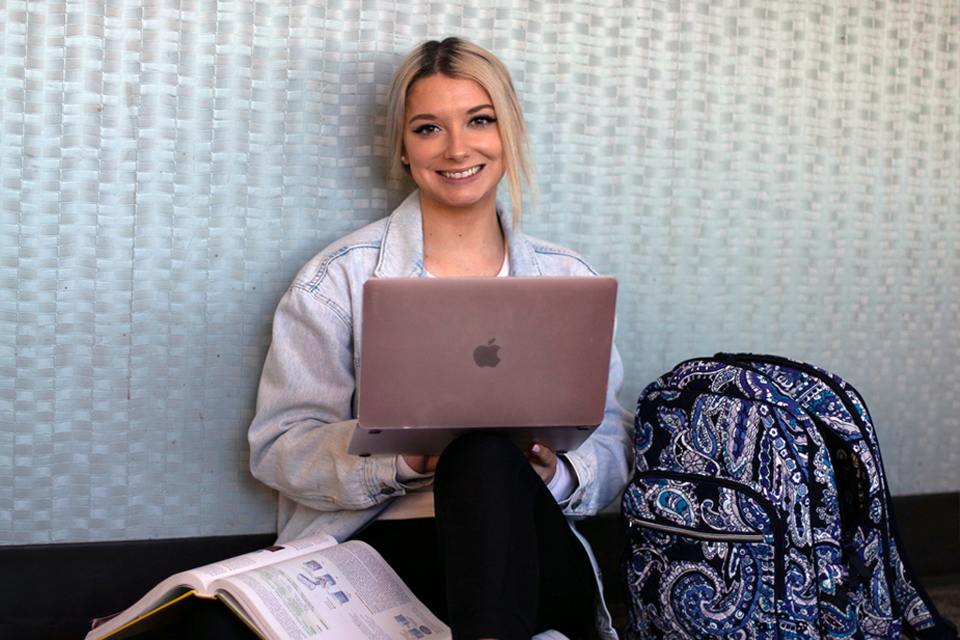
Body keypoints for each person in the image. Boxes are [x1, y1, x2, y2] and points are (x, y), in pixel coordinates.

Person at [248, 37, 634, 640]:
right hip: (386, 554)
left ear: (507, 133)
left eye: (480, 121)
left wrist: (553, 473)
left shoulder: (569, 281)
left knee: (484, 458)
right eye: (429, 128)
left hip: (529, 553)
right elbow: (280, 446)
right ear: (403, 148)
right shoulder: (339, 278)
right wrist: (404, 461)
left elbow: (610, 440)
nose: (458, 148)